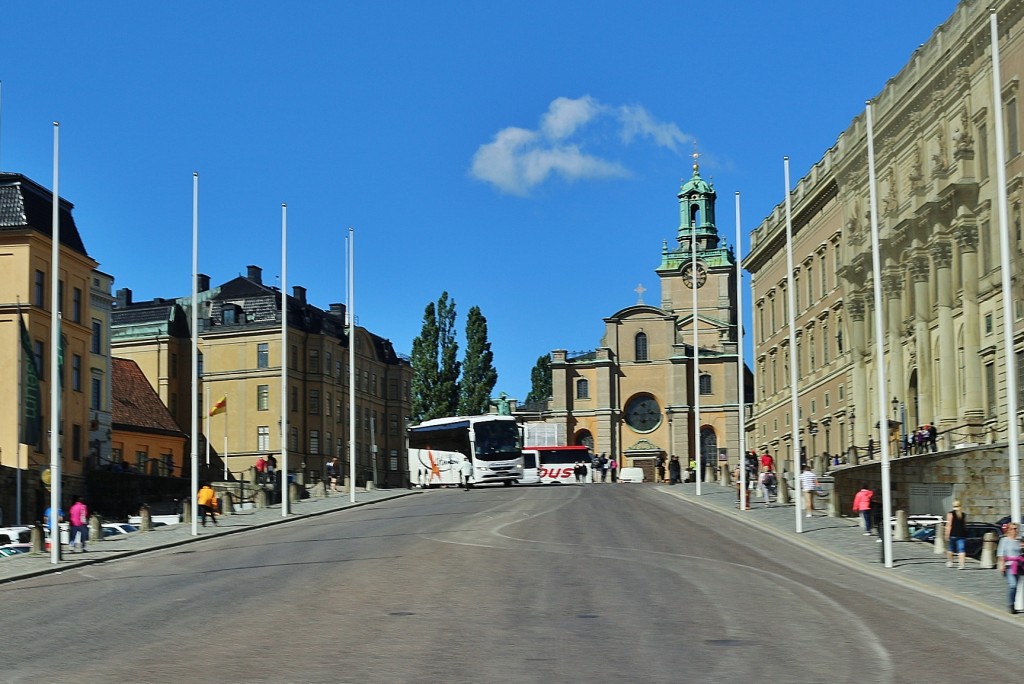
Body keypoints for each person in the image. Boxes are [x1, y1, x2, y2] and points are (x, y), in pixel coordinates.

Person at [997, 522, 1023, 614]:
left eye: (1016, 529)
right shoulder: (1004, 540)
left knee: (1016, 586)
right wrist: (1002, 564)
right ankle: (1011, 605)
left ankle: (1013, 605)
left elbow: (1021, 553)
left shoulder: (1019, 540)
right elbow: (1001, 554)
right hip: (1009, 565)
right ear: (1008, 530)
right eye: (1012, 529)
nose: (1014, 531)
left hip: (1018, 565)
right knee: (1012, 585)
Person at [946, 500, 967, 569]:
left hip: (953, 534)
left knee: (950, 549)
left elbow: (949, 525)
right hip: (961, 534)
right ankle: (961, 564)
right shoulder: (963, 514)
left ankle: (950, 562)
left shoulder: (950, 514)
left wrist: (947, 534)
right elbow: (964, 525)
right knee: (961, 550)